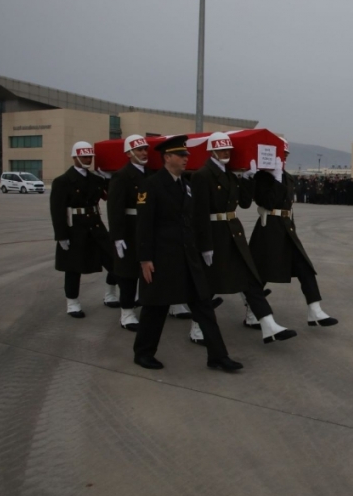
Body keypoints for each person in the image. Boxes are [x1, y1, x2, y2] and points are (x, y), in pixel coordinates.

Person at [133, 134, 241, 372]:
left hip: (188, 258)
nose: (185, 159)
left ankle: (218, 356)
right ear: (167, 157)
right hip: (162, 258)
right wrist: (145, 259)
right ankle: (143, 353)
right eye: (181, 155)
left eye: (186, 155)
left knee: (203, 306)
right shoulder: (151, 185)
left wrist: (204, 248)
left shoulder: (186, 185)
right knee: (155, 308)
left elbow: (194, 220)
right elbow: (144, 225)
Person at [190, 132, 296, 345]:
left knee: (250, 280)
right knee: (209, 283)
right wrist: (205, 244)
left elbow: (245, 203)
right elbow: (198, 214)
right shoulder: (202, 175)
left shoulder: (230, 175)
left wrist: (248, 178)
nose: (226, 153)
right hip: (214, 233)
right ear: (211, 151)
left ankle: (268, 323)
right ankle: (197, 325)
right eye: (221, 149)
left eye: (228, 149)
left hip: (232, 232)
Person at [250, 142, 338, 328]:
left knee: (305, 267)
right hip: (269, 228)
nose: (284, 157)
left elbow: (288, 206)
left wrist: (280, 178)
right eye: (282, 154)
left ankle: (314, 310)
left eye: (286, 154)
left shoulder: (288, 177)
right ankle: (252, 312)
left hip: (287, 228)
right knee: (261, 272)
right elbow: (267, 201)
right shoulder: (262, 177)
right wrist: (275, 179)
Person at [49, 141, 116, 318]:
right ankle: (73, 303)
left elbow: (110, 197)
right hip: (75, 228)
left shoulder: (96, 179)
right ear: (75, 157)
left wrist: (109, 180)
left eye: (90, 156)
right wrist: (61, 235)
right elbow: (57, 211)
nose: (88, 159)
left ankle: (110, 295)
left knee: (115, 261)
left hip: (95, 226)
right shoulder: (62, 181)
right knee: (73, 268)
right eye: (84, 156)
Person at [106, 135, 154, 330]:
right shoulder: (122, 176)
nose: (144, 153)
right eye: (139, 149)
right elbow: (115, 208)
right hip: (130, 229)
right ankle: (126, 313)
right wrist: (117, 236)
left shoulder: (152, 173)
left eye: (145, 149)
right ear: (128, 153)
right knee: (128, 272)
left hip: (149, 226)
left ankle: (146, 303)